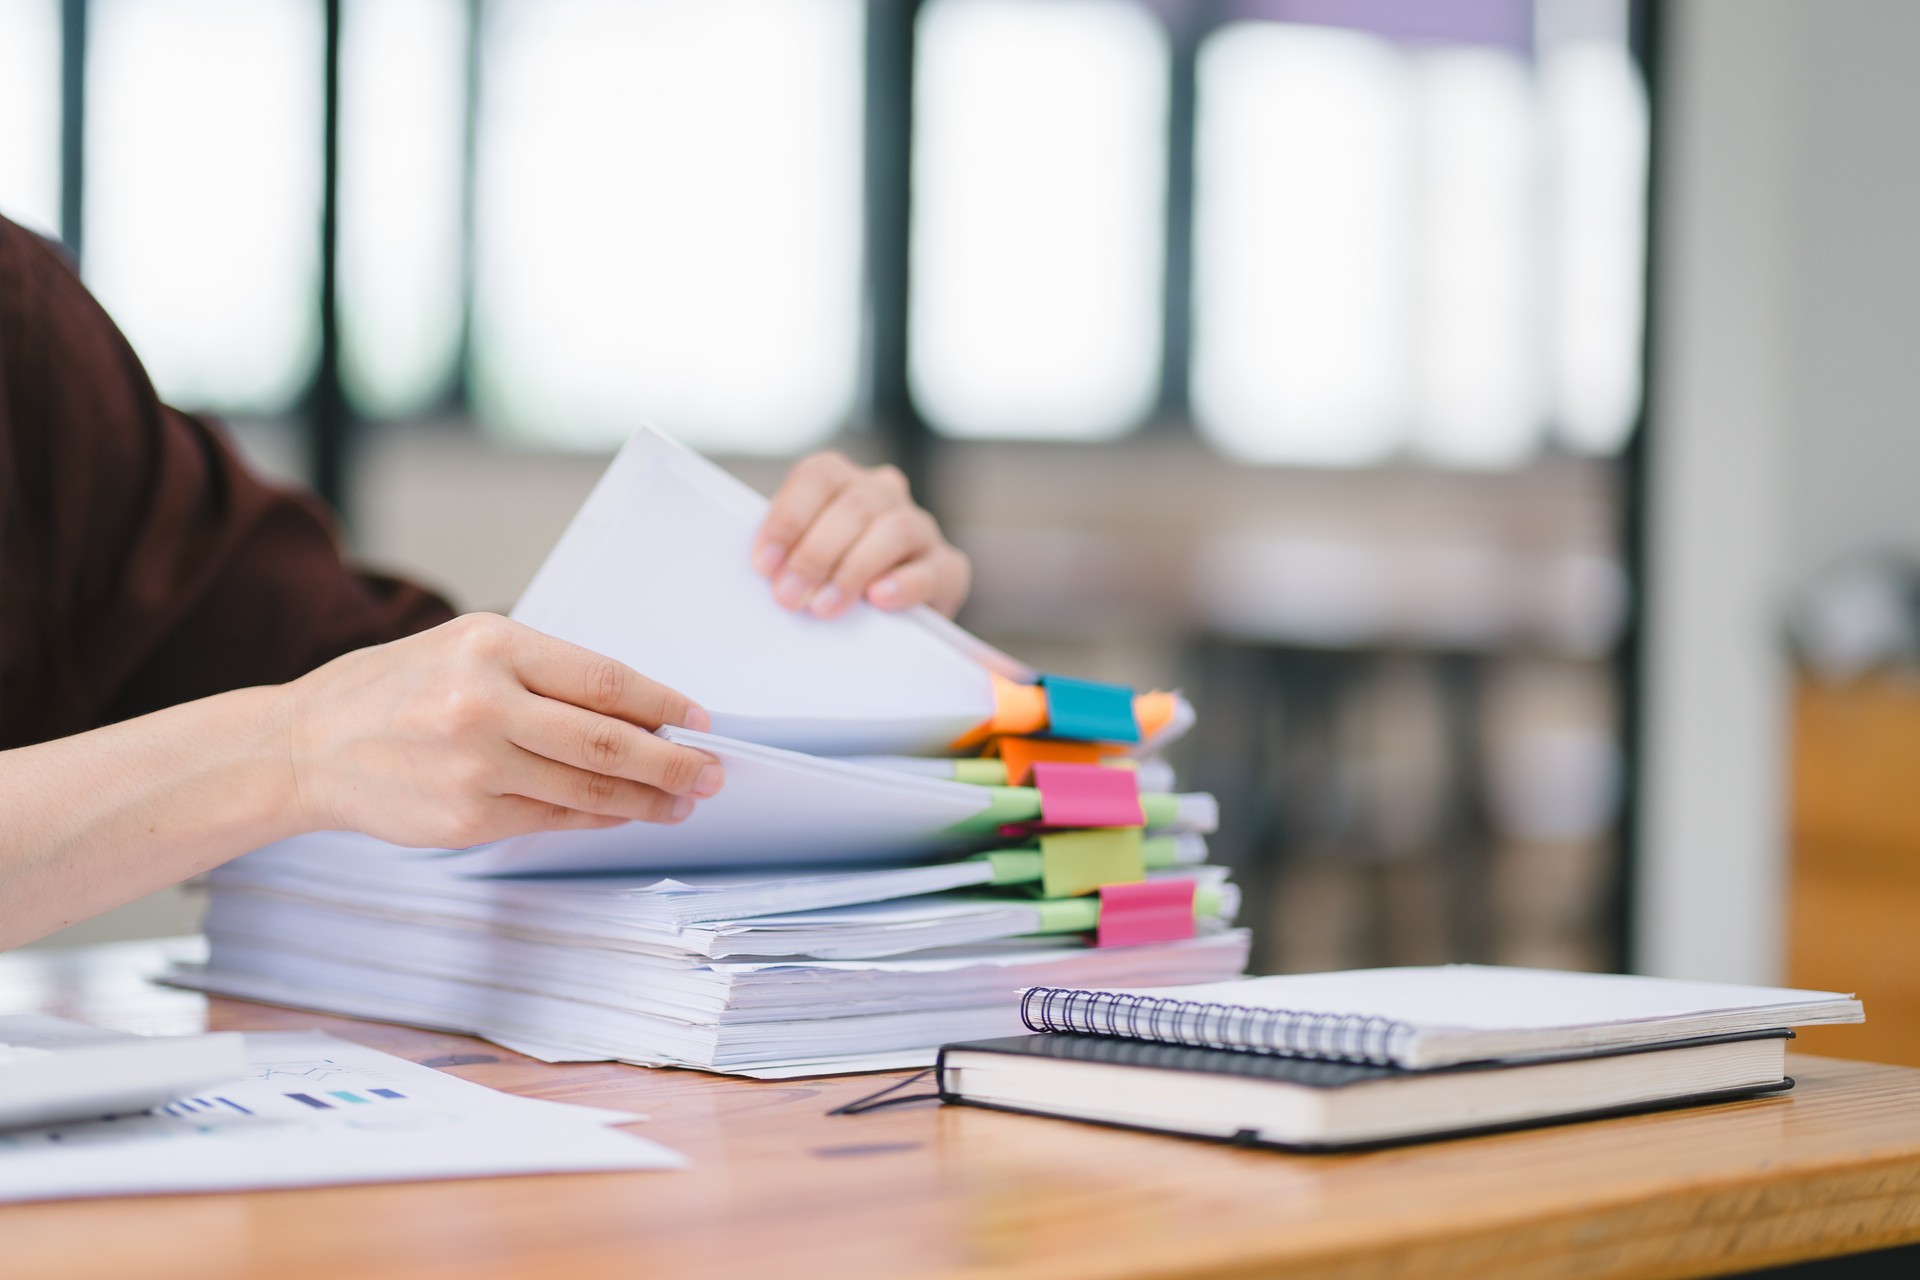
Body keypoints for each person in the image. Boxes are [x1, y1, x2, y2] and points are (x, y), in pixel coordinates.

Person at [0, 214, 971, 949]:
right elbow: (322, 722)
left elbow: (381, 692)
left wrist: (821, 621)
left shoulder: (20, 329)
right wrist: (290, 752)